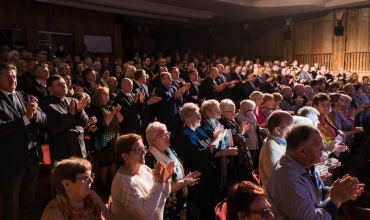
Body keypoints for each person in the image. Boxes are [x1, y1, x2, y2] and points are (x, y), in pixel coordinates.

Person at [266, 125, 365, 220]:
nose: (323, 147)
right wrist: (336, 198)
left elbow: (315, 193)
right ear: (302, 151)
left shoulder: (304, 165)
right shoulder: (288, 179)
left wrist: (341, 191)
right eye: (319, 144)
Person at [0, 63, 48, 220]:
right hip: (11, 160)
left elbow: (44, 118)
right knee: (12, 203)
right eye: (7, 76)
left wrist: (33, 114)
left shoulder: (25, 96)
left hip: (32, 157)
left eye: (14, 76)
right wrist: (25, 118)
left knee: (28, 200)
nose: (12, 79)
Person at [176, 103, 227, 220]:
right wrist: (215, 141)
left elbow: (212, 150)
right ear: (186, 119)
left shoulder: (198, 131)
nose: (200, 117)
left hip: (208, 173)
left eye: (199, 115)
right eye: (196, 115)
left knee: (211, 204)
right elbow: (201, 156)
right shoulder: (184, 136)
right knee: (205, 207)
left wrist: (215, 140)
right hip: (198, 178)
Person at [145, 122, 201, 220]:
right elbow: (161, 187)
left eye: (167, 133)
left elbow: (179, 171)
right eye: (162, 135)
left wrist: (189, 178)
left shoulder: (170, 151)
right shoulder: (150, 159)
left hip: (181, 203)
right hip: (167, 208)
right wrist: (185, 181)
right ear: (152, 140)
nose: (167, 136)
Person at [111, 134, 173, 220]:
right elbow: (144, 214)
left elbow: (164, 195)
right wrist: (158, 183)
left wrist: (164, 181)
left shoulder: (144, 168)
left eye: (144, 148)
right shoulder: (124, 182)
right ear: (125, 156)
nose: (144, 152)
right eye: (138, 149)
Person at [40, 157, 114, 220]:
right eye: (85, 177)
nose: (91, 181)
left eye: (91, 176)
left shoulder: (92, 196)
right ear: (67, 184)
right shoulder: (54, 214)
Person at [41, 75, 91, 162]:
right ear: (50, 89)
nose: (64, 86)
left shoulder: (74, 100)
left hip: (81, 146)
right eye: (59, 84)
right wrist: (70, 115)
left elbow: (86, 123)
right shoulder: (46, 105)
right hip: (64, 151)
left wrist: (79, 111)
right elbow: (53, 129)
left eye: (64, 83)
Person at [88, 87, 123, 195]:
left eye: (108, 94)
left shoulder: (110, 106)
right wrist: (112, 113)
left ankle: (112, 183)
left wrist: (116, 112)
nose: (107, 96)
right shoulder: (95, 109)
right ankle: (103, 186)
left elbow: (121, 120)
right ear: (98, 96)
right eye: (104, 94)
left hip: (114, 139)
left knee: (113, 162)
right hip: (103, 140)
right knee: (104, 165)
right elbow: (103, 124)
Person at [219, 99, 254, 181]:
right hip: (233, 158)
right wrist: (241, 133)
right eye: (230, 111)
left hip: (241, 152)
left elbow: (242, 138)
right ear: (222, 112)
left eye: (234, 110)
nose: (233, 113)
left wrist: (242, 133)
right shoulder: (223, 123)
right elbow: (230, 142)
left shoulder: (233, 121)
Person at [259, 111, 293, 189]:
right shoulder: (271, 150)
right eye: (291, 127)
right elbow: (280, 182)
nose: (294, 129)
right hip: (279, 197)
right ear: (278, 130)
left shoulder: (280, 143)